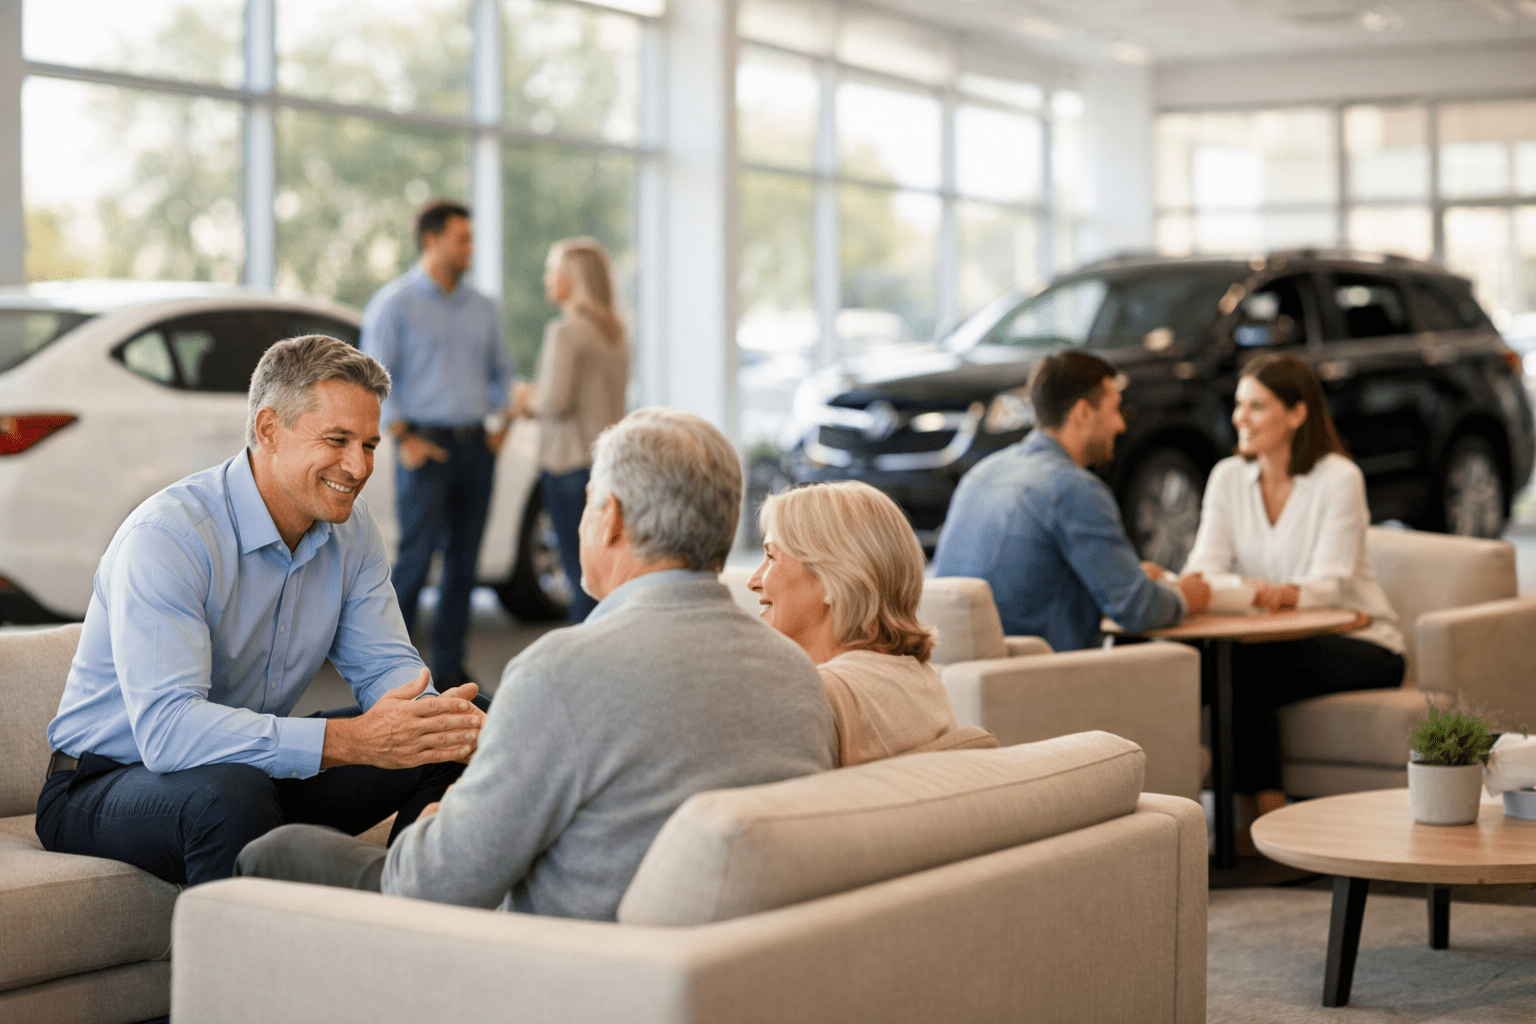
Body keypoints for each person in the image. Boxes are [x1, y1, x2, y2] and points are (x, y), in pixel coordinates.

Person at [235, 408, 838, 921]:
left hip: (549, 968)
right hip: (731, 972)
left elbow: (434, 886)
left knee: (273, 852)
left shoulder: (563, 674)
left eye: (588, 503)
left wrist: (437, 829)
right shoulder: (797, 676)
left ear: (611, 519)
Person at [35, 335, 485, 886]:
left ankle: (403, 927)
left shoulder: (352, 531)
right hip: (106, 782)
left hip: (245, 768)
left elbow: (389, 669)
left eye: (369, 445)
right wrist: (349, 742)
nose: (358, 465)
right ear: (270, 429)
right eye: (338, 439)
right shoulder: (169, 536)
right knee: (229, 795)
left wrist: (432, 716)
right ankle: (246, 968)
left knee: (453, 730)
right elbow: (167, 731)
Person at [1181, 353, 1406, 810]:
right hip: (1269, 641)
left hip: (1364, 641)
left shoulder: (1339, 479)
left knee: (1245, 665)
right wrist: (1256, 592)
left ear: (1297, 413)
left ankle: (1265, 814)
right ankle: (1221, 817)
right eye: (1239, 404)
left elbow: (1330, 585)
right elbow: (1202, 570)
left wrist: (1258, 591)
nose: (1240, 417)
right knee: (1205, 665)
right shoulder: (1226, 478)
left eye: (1257, 406)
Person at [933, 350, 1211, 652]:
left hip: (960, 675)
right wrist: (1184, 598)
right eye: (1115, 409)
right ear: (1082, 413)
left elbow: (1033, 578)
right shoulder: (1073, 489)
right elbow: (1136, 608)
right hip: (1037, 678)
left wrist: (1129, 576)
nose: (1121, 425)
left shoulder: (981, 474)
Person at [361, 199, 513, 686]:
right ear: (431, 240)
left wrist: (500, 427)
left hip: (476, 448)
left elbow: (502, 374)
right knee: (415, 561)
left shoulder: (484, 307)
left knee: (464, 567)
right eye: (461, 238)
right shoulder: (394, 304)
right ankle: (391, 676)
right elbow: (373, 379)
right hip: (422, 448)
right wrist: (403, 435)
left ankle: (450, 668)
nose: (470, 248)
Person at [748, 480, 960, 766]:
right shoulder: (922, 682)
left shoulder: (818, 699)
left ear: (833, 580)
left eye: (771, 557)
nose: (753, 581)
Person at [512, 237, 629, 623]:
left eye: (553, 270)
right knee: (603, 576)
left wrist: (524, 399)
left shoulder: (565, 332)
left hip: (567, 466)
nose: (548, 278)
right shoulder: (615, 334)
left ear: (572, 277)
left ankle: (586, 669)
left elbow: (554, 403)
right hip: (606, 467)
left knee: (579, 577)